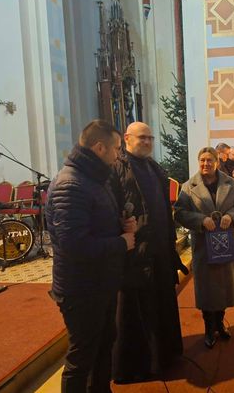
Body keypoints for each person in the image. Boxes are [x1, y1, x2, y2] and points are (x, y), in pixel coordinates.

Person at [46, 120, 136, 392]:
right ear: (99, 148)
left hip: (100, 283)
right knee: (82, 357)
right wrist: (121, 243)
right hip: (81, 289)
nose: (119, 155)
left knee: (104, 343)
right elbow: (74, 246)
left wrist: (121, 225)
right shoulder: (70, 185)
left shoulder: (94, 178)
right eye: (116, 149)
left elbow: (96, 224)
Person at [110, 121, 187, 383]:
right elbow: (110, 208)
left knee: (160, 303)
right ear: (126, 138)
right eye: (141, 137)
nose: (146, 142)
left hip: (160, 248)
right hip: (134, 252)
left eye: (150, 138)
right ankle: (135, 367)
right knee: (134, 312)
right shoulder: (117, 169)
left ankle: (164, 356)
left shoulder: (154, 167)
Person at [174, 147, 234, 349]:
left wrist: (231, 216)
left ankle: (220, 323)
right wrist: (200, 220)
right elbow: (179, 212)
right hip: (203, 246)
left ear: (217, 162)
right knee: (207, 289)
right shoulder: (188, 187)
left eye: (209, 160)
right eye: (202, 160)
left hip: (225, 245)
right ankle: (209, 328)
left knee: (224, 287)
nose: (205, 164)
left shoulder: (230, 183)